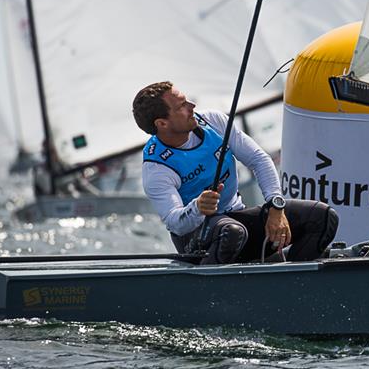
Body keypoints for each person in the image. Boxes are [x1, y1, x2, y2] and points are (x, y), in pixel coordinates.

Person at [132, 81, 338, 264]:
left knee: (323, 217)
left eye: (187, 101)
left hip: (236, 217)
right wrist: (197, 207)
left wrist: (276, 206)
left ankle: (293, 285)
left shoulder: (214, 122)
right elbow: (176, 223)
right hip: (198, 235)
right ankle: (212, 298)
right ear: (162, 123)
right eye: (182, 106)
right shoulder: (156, 168)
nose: (192, 106)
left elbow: (259, 159)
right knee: (231, 232)